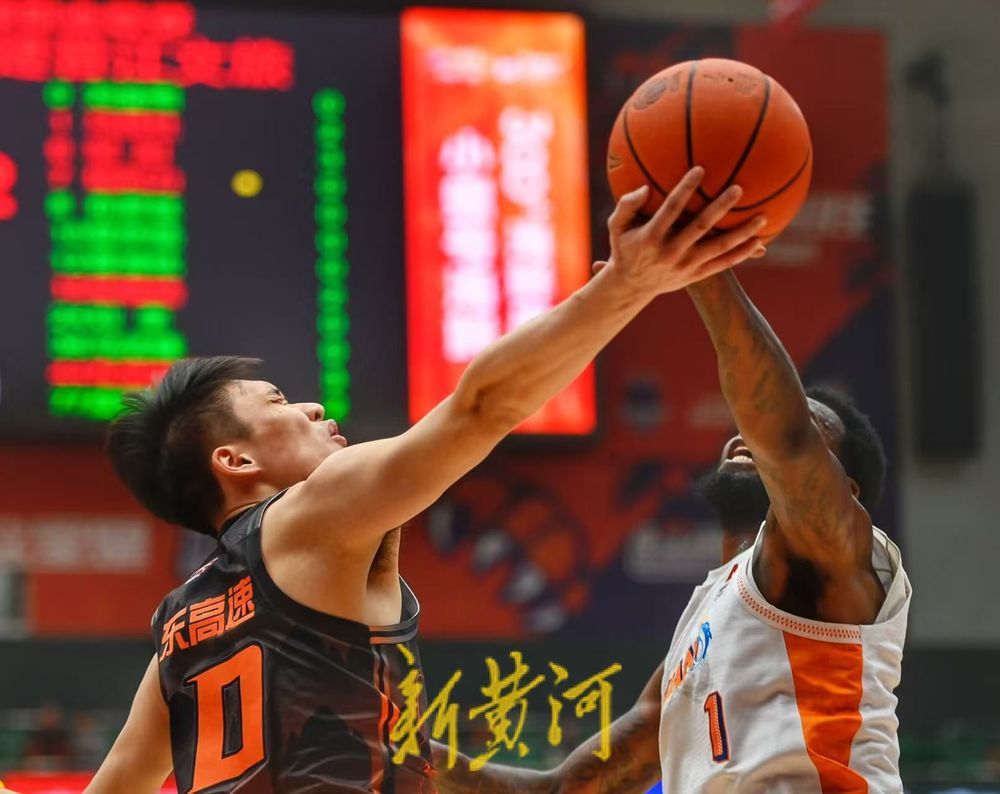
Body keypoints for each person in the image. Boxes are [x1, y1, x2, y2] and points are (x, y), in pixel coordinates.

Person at [84, 168, 765, 794]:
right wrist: (627, 283)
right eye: (278, 402)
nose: (312, 407)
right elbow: (482, 407)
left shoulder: (180, 626)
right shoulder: (310, 512)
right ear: (235, 462)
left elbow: (116, 784)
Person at [436, 267, 909, 792]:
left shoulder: (841, 555)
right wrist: (392, 752)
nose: (746, 436)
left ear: (847, 491)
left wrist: (702, 267)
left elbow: (785, 438)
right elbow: (565, 790)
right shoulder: (704, 621)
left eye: (813, 429)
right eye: (744, 427)